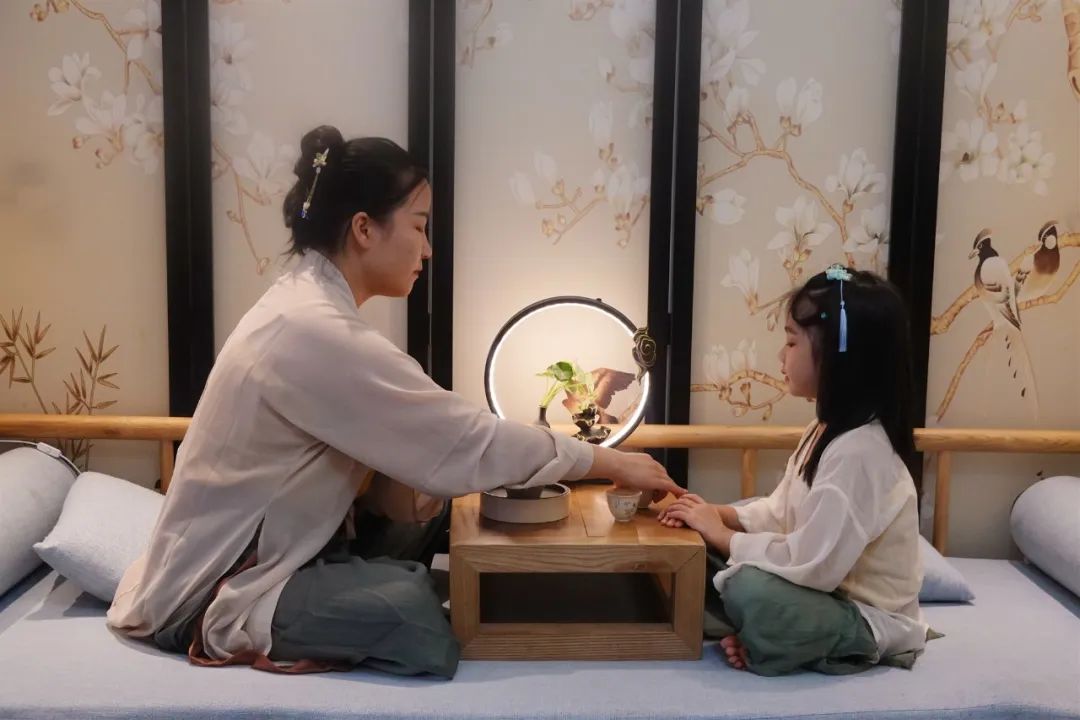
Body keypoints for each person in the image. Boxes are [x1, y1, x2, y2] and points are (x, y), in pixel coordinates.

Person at [107, 125, 682, 679]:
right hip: (215, 588)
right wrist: (608, 459)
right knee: (412, 611)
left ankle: (368, 584)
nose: (427, 249)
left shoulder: (309, 307)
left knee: (447, 513)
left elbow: (442, 440)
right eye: (420, 226)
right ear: (364, 228)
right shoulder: (312, 329)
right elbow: (471, 438)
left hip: (299, 546)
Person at [659, 266, 929, 676]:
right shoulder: (825, 430)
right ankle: (769, 632)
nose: (780, 357)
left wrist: (725, 536)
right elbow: (781, 512)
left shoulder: (860, 452)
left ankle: (788, 638)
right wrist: (716, 516)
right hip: (819, 592)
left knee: (750, 588)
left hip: (862, 616)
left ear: (839, 354)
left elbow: (814, 566)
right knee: (698, 553)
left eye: (790, 341)